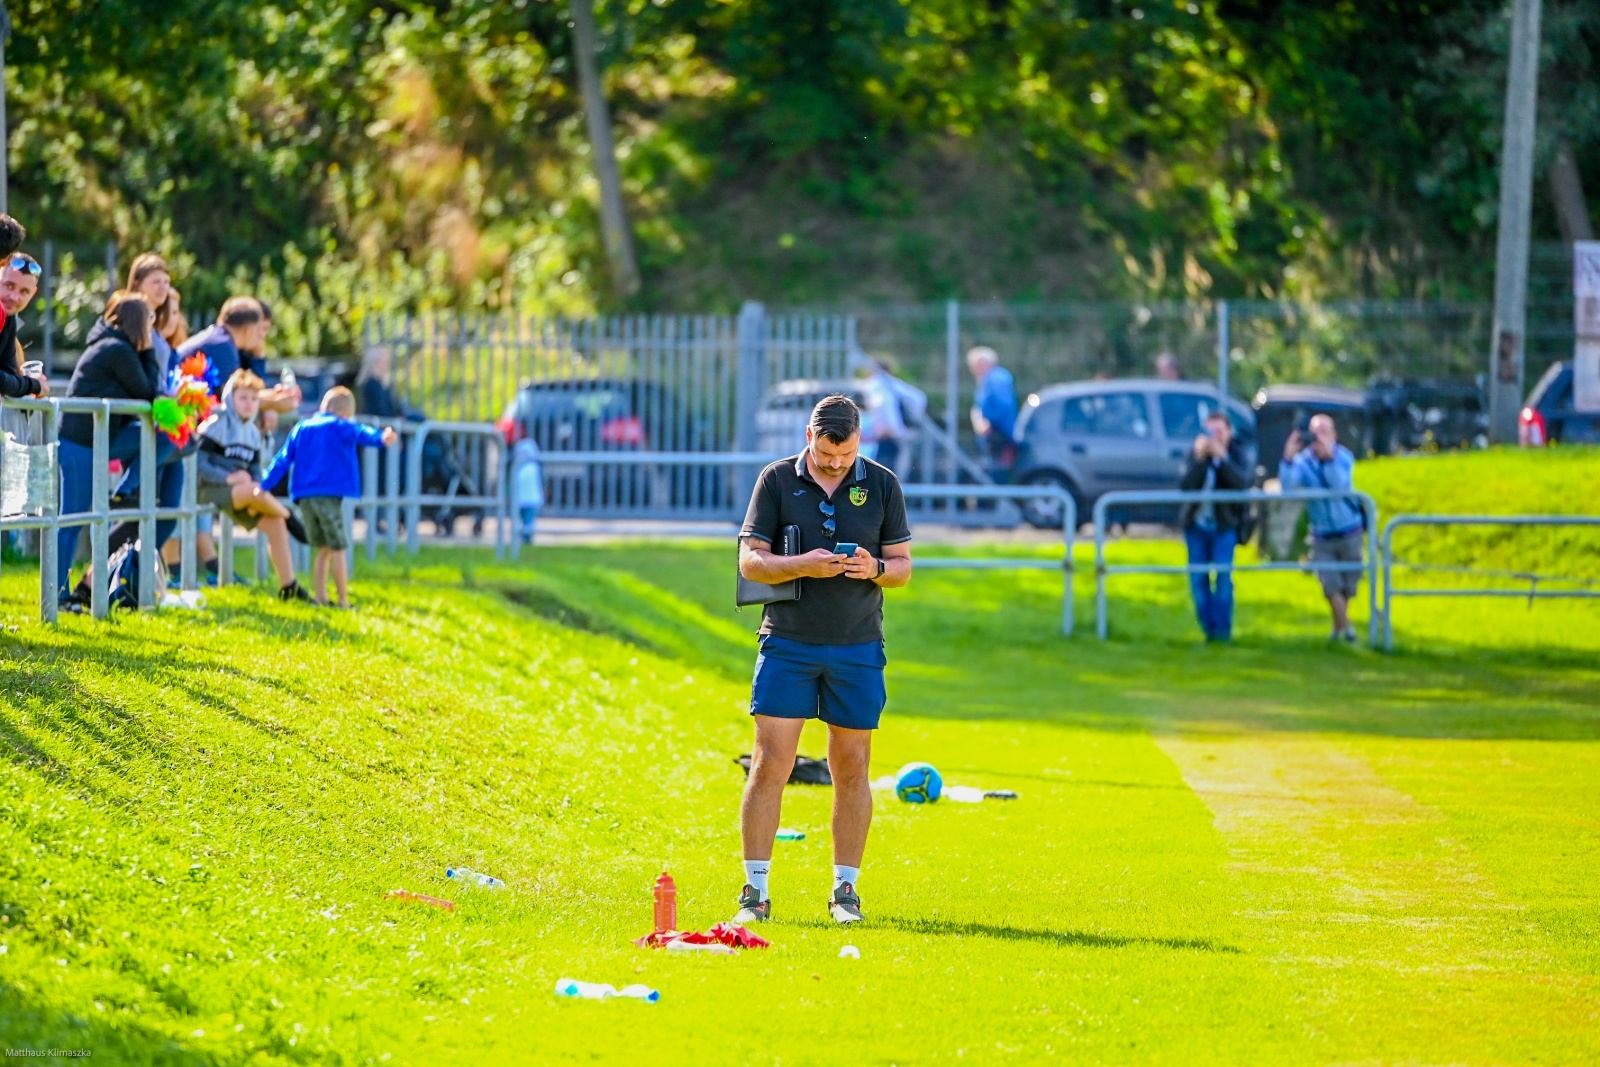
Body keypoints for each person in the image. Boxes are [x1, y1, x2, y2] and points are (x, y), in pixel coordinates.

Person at [734, 394, 913, 926]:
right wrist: (801, 566)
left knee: (852, 766)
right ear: (809, 436)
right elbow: (750, 561)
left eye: (846, 454)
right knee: (771, 763)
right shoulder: (775, 479)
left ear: (859, 441)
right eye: (826, 453)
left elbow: (903, 567)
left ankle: (845, 892)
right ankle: (755, 894)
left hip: (858, 645)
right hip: (787, 643)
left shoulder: (882, 483)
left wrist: (874, 568)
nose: (836, 464)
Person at [54, 292, 166, 605]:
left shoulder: (116, 345)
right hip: (79, 442)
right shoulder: (116, 349)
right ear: (138, 322)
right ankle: (57, 595)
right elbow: (147, 391)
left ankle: (126, 490)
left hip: (100, 439)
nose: (152, 325)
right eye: (149, 319)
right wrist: (148, 349)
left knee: (163, 436)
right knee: (71, 520)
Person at [260, 386, 397, 607]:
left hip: (304, 496)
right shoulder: (339, 425)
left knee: (323, 547)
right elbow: (360, 432)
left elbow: (283, 458)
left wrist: (264, 484)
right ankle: (343, 601)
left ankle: (321, 597)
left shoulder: (302, 427)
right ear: (345, 414)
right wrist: (381, 438)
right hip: (328, 495)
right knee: (338, 548)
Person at [194, 369, 313, 602]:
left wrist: (254, 485)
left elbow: (255, 470)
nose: (249, 404)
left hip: (243, 493)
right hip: (208, 489)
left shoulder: (253, 433)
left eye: (254, 399)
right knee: (253, 491)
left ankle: (289, 586)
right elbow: (197, 463)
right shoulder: (216, 423)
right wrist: (227, 478)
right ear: (230, 398)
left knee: (275, 523)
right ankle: (291, 518)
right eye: (243, 398)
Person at [1279, 413, 1364, 642]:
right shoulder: (1303, 462)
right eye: (1315, 433)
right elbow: (1287, 488)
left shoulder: (1344, 457)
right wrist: (1288, 459)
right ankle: (1349, 631)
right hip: (1321, 535)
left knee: (1348, 587)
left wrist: (1328, 459)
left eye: (1324, 432)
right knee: (1330, 584)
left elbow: (1339, 486)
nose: (1319, 438)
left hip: (1349, 530)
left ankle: (1337, 630)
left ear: (1334, 435)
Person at [1178, 410, 1250, 642]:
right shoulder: (1195, 453)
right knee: (1198, 580)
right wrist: (1200, 460)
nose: (1215, 437)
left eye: (1220, 431)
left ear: (1229, 432)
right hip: (1196, 528)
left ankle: (1222, 632)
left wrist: (1223, 460)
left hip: (1223, 527)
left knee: (1223, 577)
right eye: (1211, 432)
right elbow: (1185, 485)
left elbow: (1241, 483)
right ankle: (1209, 630)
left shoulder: (1237, 453)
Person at [967, 346, 1018, 480]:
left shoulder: (995, 378)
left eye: (976, 364)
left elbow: (1004, 406)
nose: (974, 369)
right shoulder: (987, 380)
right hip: (994, 437)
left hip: (999, 435)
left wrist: (989, 423)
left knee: (995, 474)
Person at [0, 252, 46, 399]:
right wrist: (35, 385)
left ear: (33, 294)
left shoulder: (9, 318)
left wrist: (29, 384)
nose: (14, 297)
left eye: (24, 291)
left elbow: (8, 377)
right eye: (9, 285)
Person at [512, 438, 544, 546]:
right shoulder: (530, 468)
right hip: (526, 499)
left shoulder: (521, 468)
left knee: (527, 520)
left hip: (527, 499)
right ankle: (525, 538)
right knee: (525, 520)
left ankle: (526, 538)